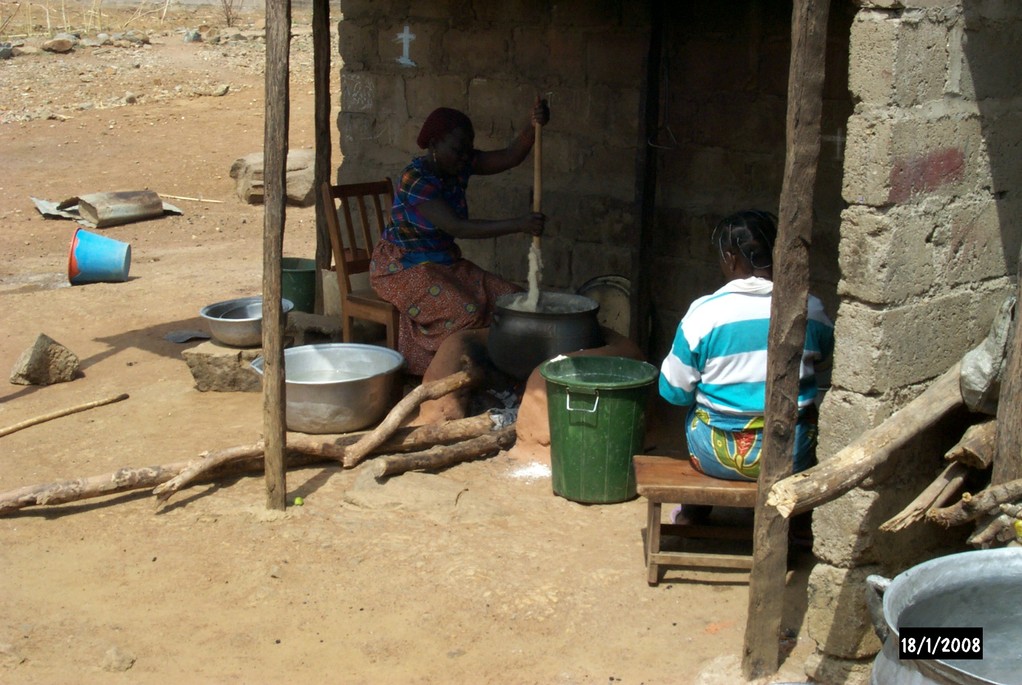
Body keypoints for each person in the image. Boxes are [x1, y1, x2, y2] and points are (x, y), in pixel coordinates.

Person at [658, 210, 834, 523]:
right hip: (791, 455)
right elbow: (826, 360)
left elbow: (673, 391)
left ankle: (694, 512)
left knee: (699, 410)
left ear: (730, 258)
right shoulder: (812, 309)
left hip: (718, 455)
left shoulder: (703, 315)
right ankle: (802, 524)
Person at [370, 99, 550, 376]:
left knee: (513, 300)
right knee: (464, 311)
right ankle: (443, 374)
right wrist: (518, 224)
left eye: (467, 150)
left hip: (444, 264)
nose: (464, 157)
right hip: (403, 267)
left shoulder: (458, 163)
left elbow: (512, 156)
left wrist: (533, 125)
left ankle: (488, 371)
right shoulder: (415, 179)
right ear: (434, 143)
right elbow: (458, 227)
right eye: (457, 149)